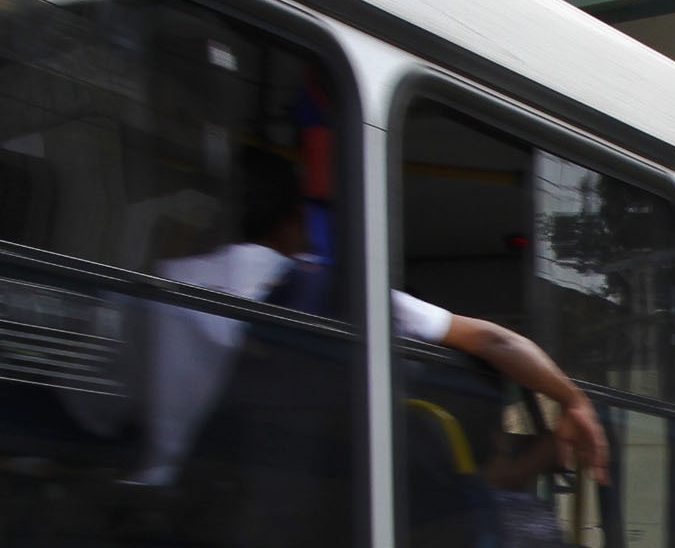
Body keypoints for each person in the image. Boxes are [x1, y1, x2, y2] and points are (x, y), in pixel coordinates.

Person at [143, 149, 608, 489]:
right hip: (268, 520)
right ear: (294, 220)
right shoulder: (323, 289)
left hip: (158, 507)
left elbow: (107, 415)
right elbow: (492, 341)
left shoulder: (156, 285)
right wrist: (573, 399)